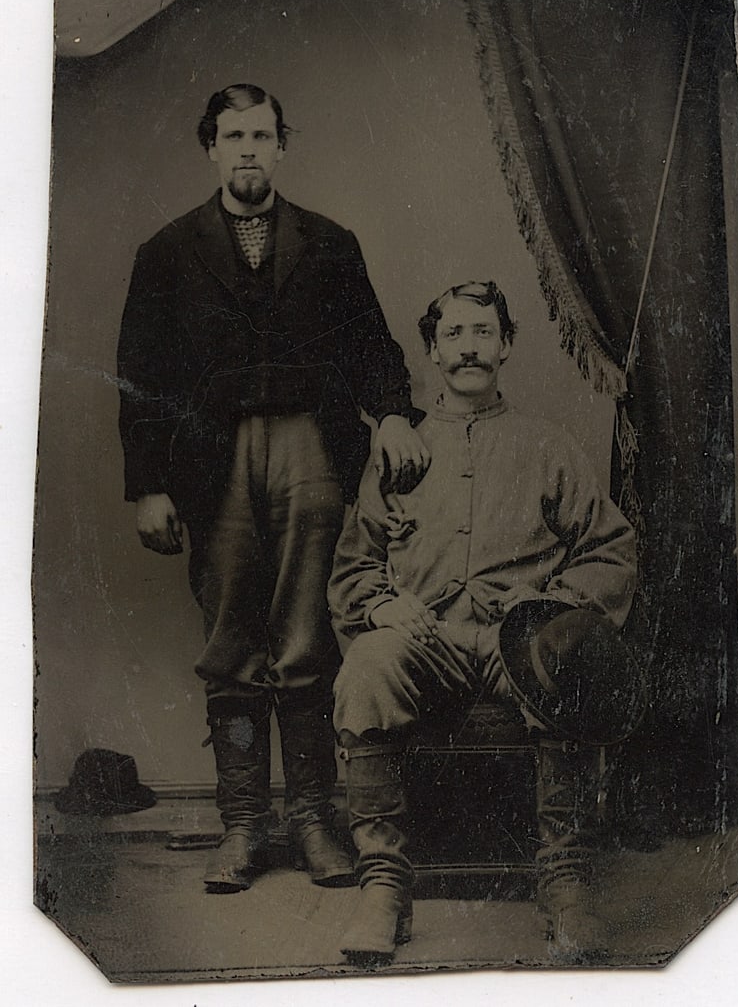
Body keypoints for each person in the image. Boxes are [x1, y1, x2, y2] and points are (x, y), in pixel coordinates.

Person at [117, 84, 429, 894]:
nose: (248, 148)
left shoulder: (329, 242)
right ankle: (242, 826)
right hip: (210, 457)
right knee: (231, 636)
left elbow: (370, 342)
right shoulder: (166, 250)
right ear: (211, 148)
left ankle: (314, 821)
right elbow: (140, 377)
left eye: (261, 134)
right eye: (232, 135)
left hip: (310, 447)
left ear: (281, 145)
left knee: (304, 634)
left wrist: (392, 414)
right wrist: (146, 486)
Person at [328, 281, 638, 965]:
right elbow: (353, 567)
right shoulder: (399, 450)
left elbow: (610, 552)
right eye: (454, 336)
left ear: (505, 345)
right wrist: (382, 603)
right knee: (365, 671)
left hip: (515, 642)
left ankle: (564, 881)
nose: (468, 349)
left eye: (482, 333)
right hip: (425, 642)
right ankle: (383, 884)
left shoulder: (545, 445)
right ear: (432, 352)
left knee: (566, 667)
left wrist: (545, 601)